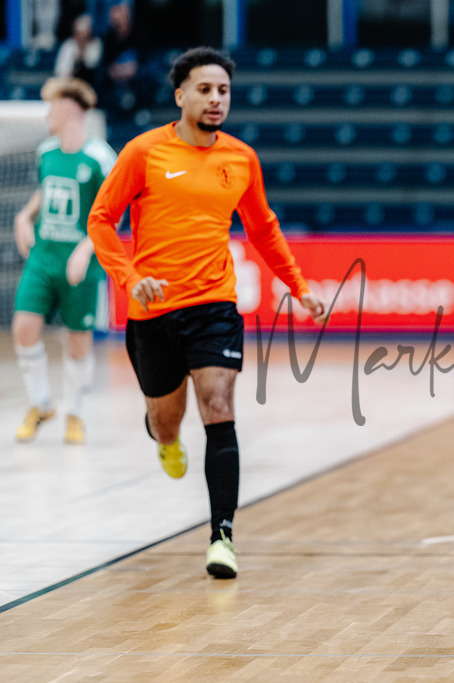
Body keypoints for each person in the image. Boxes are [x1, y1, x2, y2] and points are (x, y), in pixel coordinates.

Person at [87, 47, 328, 580]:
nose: (216, 99)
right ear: (180, 95)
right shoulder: (143, 152)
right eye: (205, 89)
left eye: (223, 90)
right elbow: (101, 220)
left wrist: (299, 287)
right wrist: (130, 280)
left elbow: (263, 229)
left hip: (215, 305)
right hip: (154, 310)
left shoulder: (241, 158)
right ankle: (165, 441)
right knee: (165, 419)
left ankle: (222, 536)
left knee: (219, 406)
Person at [13, 77, 116, 445]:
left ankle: (75, 413)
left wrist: (87, 247)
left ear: (70, 109)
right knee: (24, 327)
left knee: (77, 340)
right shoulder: (46, 151)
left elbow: (111, 213)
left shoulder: (101, 157)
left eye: (51, 105)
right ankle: (41, 404)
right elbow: (44, 190)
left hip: (80, 262)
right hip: (43, 256)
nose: (47, 113)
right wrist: (24, 216)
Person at [54, 14, 104, 88]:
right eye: (78, 33)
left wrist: (81, 52)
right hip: (70, 85)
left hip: (92, 85)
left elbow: (92, 66)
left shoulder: (96, 44)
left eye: (83, 33)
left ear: (89, 32)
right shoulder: (69, 45)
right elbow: (60, 71)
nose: (81, 36)